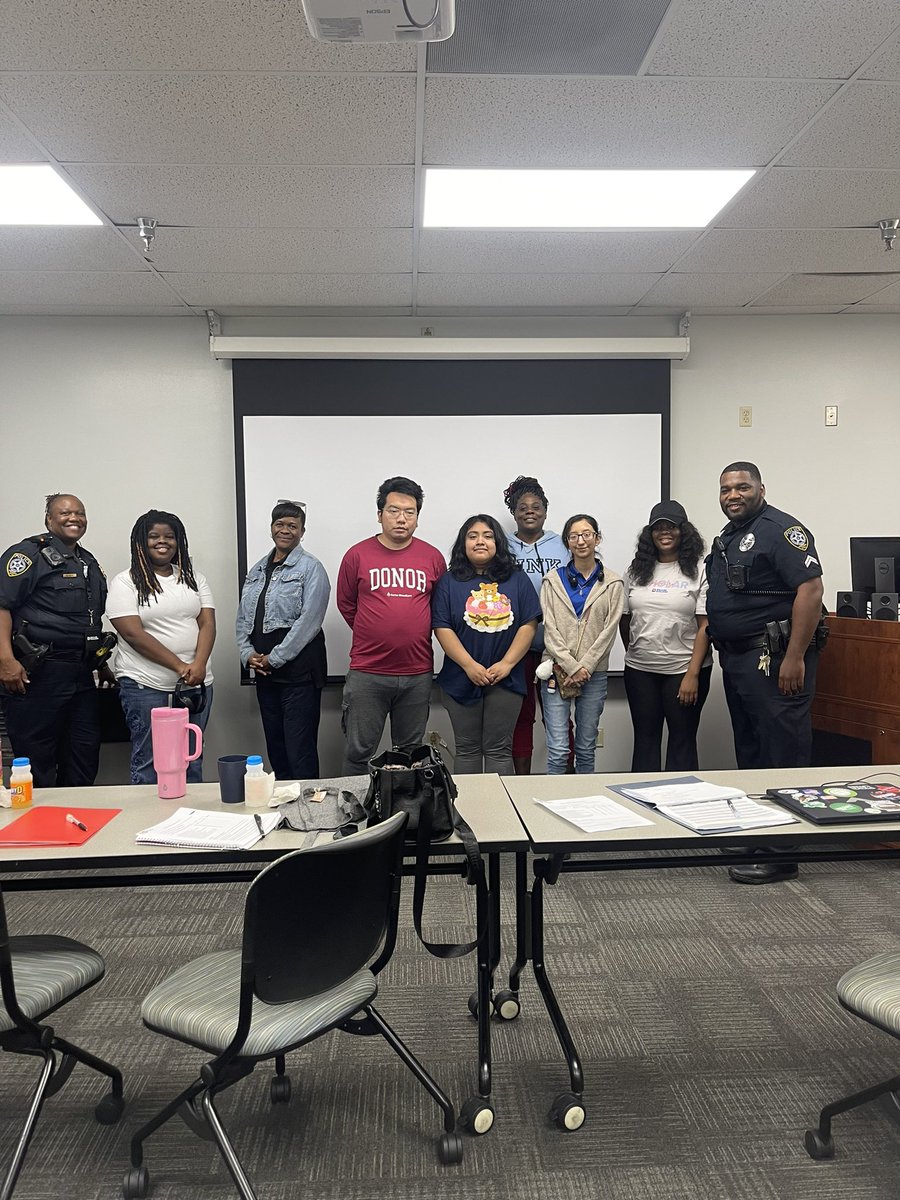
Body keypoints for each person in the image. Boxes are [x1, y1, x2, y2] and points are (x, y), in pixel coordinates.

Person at [705, 461, 825, 884]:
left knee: (783, 752)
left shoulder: (782, 530)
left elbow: (811, 591)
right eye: (725, 490)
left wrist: (795, 656)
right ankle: (758, 832)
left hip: (775, 660)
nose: (732, 495)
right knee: (753, 753)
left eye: (741, 487)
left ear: (760, 488)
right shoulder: (729, 536)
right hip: (739, 660)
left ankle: (782, 853)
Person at [337, 477, 446, 775]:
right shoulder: (357, 555)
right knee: (359, 752)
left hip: (417, 673)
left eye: (410, 512)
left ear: (418, 518)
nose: (401, 518)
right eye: (394, 510)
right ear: (379, 514)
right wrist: (375, 631)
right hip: (368, 672)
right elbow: (347, 605)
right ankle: (355, 815)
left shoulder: (433, 558)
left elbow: (438, 609)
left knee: (410, 754)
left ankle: (405, 816)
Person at [0, 493, 111, 787]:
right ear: (49, 520)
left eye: (80, 513)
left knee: (83, 757)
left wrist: (102, 664)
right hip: (39, 673)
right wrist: (6, 660)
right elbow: (2, 606)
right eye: (65, 513)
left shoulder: (88, 561)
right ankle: (39, 830)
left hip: (81, 674)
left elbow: (88, 619)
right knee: (37, 764)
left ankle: (77, 826)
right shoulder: (27, 555)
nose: (74, 518)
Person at [107, 510, 216, 785]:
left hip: (195, 684)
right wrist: (180, 666)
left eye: (169, 536)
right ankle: (149, 825)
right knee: (150, 760)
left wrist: (199, 665)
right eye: (153, 536)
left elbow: (207, 623)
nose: (162, 541)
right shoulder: (125, 582)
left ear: (179, 542)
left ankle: (190, 821)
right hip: (146, 685)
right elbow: (132, 633)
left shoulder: (193, 578)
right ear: (140, 543)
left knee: (191, 757)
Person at [433, 515, 541, 774]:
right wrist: (469, 666)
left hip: (506, 678)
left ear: (498, 543)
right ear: (463, 543)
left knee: (499, 750)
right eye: (473, 536)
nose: (480, 541)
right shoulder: (448, 582)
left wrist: (507, 664)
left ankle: (500, 814)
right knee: (467, 749)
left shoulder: (517, 579)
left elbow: (528, 624)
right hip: (461, 677)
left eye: (488, 536)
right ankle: (467, 813)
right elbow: (442, 627)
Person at [236, 500, 330, 779]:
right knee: (276, 749)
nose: (285, 530)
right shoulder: (257, 570)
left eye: (293, 525)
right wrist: (247, 654)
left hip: (299, 676)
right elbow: (243, 618)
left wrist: (274, 658)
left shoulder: (312, 568)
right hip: (266, 676)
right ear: (271, 528)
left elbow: (310, 621)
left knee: (299, 750)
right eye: (280, 524)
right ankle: (285, 811)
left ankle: (309, 815)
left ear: (302, 531)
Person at [621, 500, 712, 772]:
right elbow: (625, 620)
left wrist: (692, 674)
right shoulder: (636, 571)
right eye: (658, 527)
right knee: (645, 742)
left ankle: (680, 806)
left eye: (671, 527)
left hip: (684, 671)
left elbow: (705, 625)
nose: (665, 532)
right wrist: (637, 650)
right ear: (650, 534)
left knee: (682, 742)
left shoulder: (700, 570)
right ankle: (641, 806)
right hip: (640, 671)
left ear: (684, 531)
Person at [540, 514, 624, 774]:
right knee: (558, 751)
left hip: (594, 674)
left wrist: (584, 666)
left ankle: (585, 807)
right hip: (556, 670)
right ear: (567, 542)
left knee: (586, 749)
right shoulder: (552, 581)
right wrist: (570, 665)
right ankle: (553, 807)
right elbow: (549, 629)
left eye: (587, 534)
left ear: (597, 538)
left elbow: (609, 631)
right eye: (574, 536)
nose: (581, 540)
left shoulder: (613, 583)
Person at [503, 475, 568, 774]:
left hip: (556, 647)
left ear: (545, 509)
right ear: (513, 512)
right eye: (522, 507)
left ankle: (568, 780)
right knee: (521, 716)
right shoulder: (502, 547)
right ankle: (522, 782)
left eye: (536, 506)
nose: (530, 511)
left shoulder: (563, 544)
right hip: (516, 647)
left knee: (559, 714)